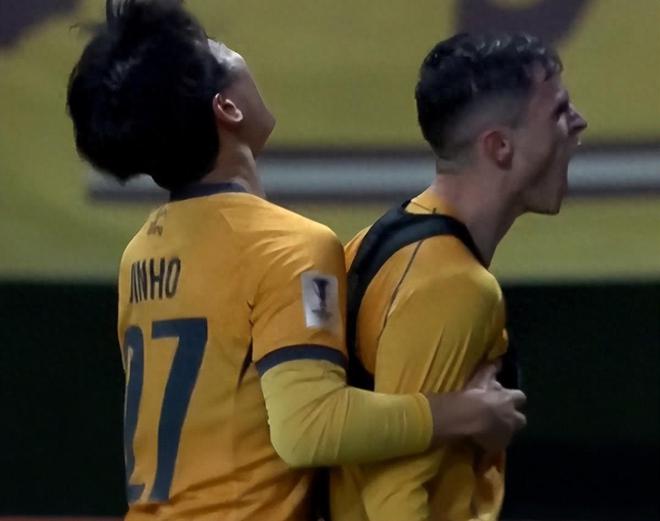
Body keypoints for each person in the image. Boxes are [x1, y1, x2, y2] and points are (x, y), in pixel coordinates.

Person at [66, 3, 527, 519]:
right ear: (227, 109)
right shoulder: (288, 246)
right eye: (225, 51)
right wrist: (462, 413)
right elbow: (308, 427)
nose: (240, 56)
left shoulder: (140, 253)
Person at [331, 32, 587, 521]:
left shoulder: (377, 241)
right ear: (500, 146)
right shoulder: (453, 286)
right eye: (559, 111)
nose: (578, 122)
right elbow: (395, 498)